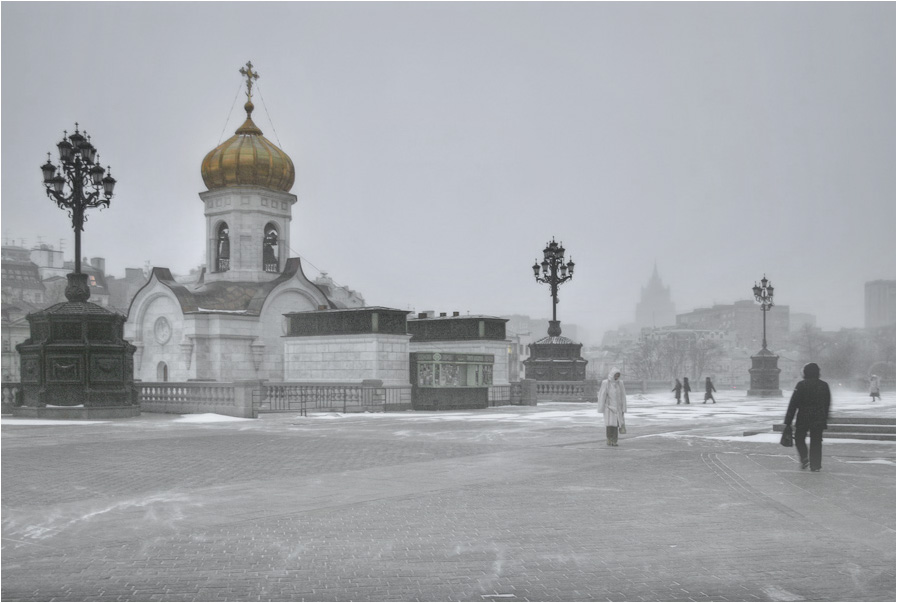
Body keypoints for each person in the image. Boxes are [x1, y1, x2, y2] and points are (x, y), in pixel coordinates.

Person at [784, 362, 831, 472]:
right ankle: (815, 465)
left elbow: (793, 403)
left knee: (799, 439)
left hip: (803, 417)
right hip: (818, 417)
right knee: (816, 441)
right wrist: (825, 416)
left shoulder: (801, 385)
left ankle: (804, 458)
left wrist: (788, 421)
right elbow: (827, 403)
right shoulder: (823, 385)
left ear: (805, 372)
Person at [597, 367, 627, 446]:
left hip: (618, 409)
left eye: (618, 376)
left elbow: (623, 396)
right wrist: (601, 407)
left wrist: (623, 408)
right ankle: (609, 439)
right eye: (615, 375)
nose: (616, 377)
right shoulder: (606, 383)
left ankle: (614, 440)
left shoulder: (620, 383)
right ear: (612, 375)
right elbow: (602, 395)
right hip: (609, 408)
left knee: (616, 425)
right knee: (610, 425)